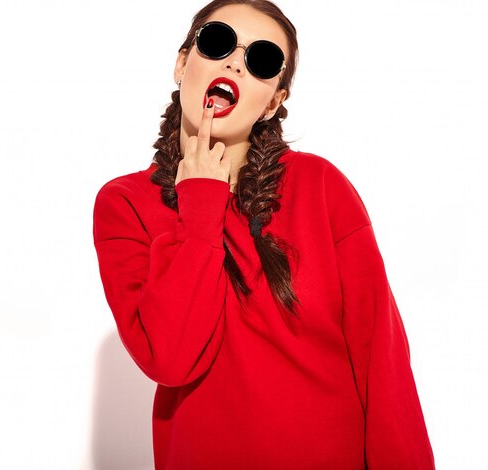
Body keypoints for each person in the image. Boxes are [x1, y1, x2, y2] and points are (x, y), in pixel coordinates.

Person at [92, 0, 436, 468]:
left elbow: (382, 358)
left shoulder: (320, 187)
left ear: (274, 100)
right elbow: (170, 359)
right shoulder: (125, 203)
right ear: (181, 63)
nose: (235, 61)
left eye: (262, 61)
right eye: (217, 43)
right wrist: (200, 205)